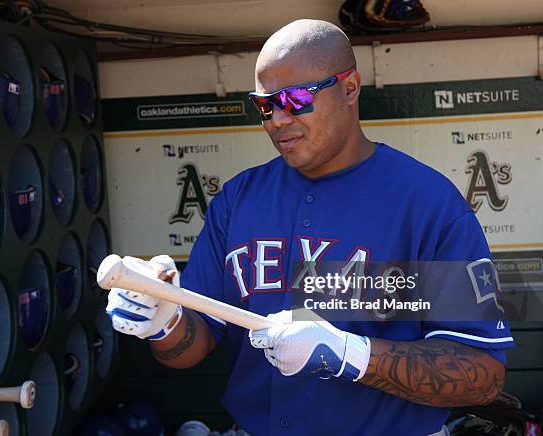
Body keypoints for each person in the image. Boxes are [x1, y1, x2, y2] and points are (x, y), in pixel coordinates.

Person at [106, 19, 514, 436]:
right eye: (265, 105)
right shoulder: (238, 199)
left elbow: (481, 372)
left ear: (350, 88)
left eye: (296, 99)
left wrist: (349, 355)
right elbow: (190, 348)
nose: (278, 119)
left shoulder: (428, 203)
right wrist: (163, 318)